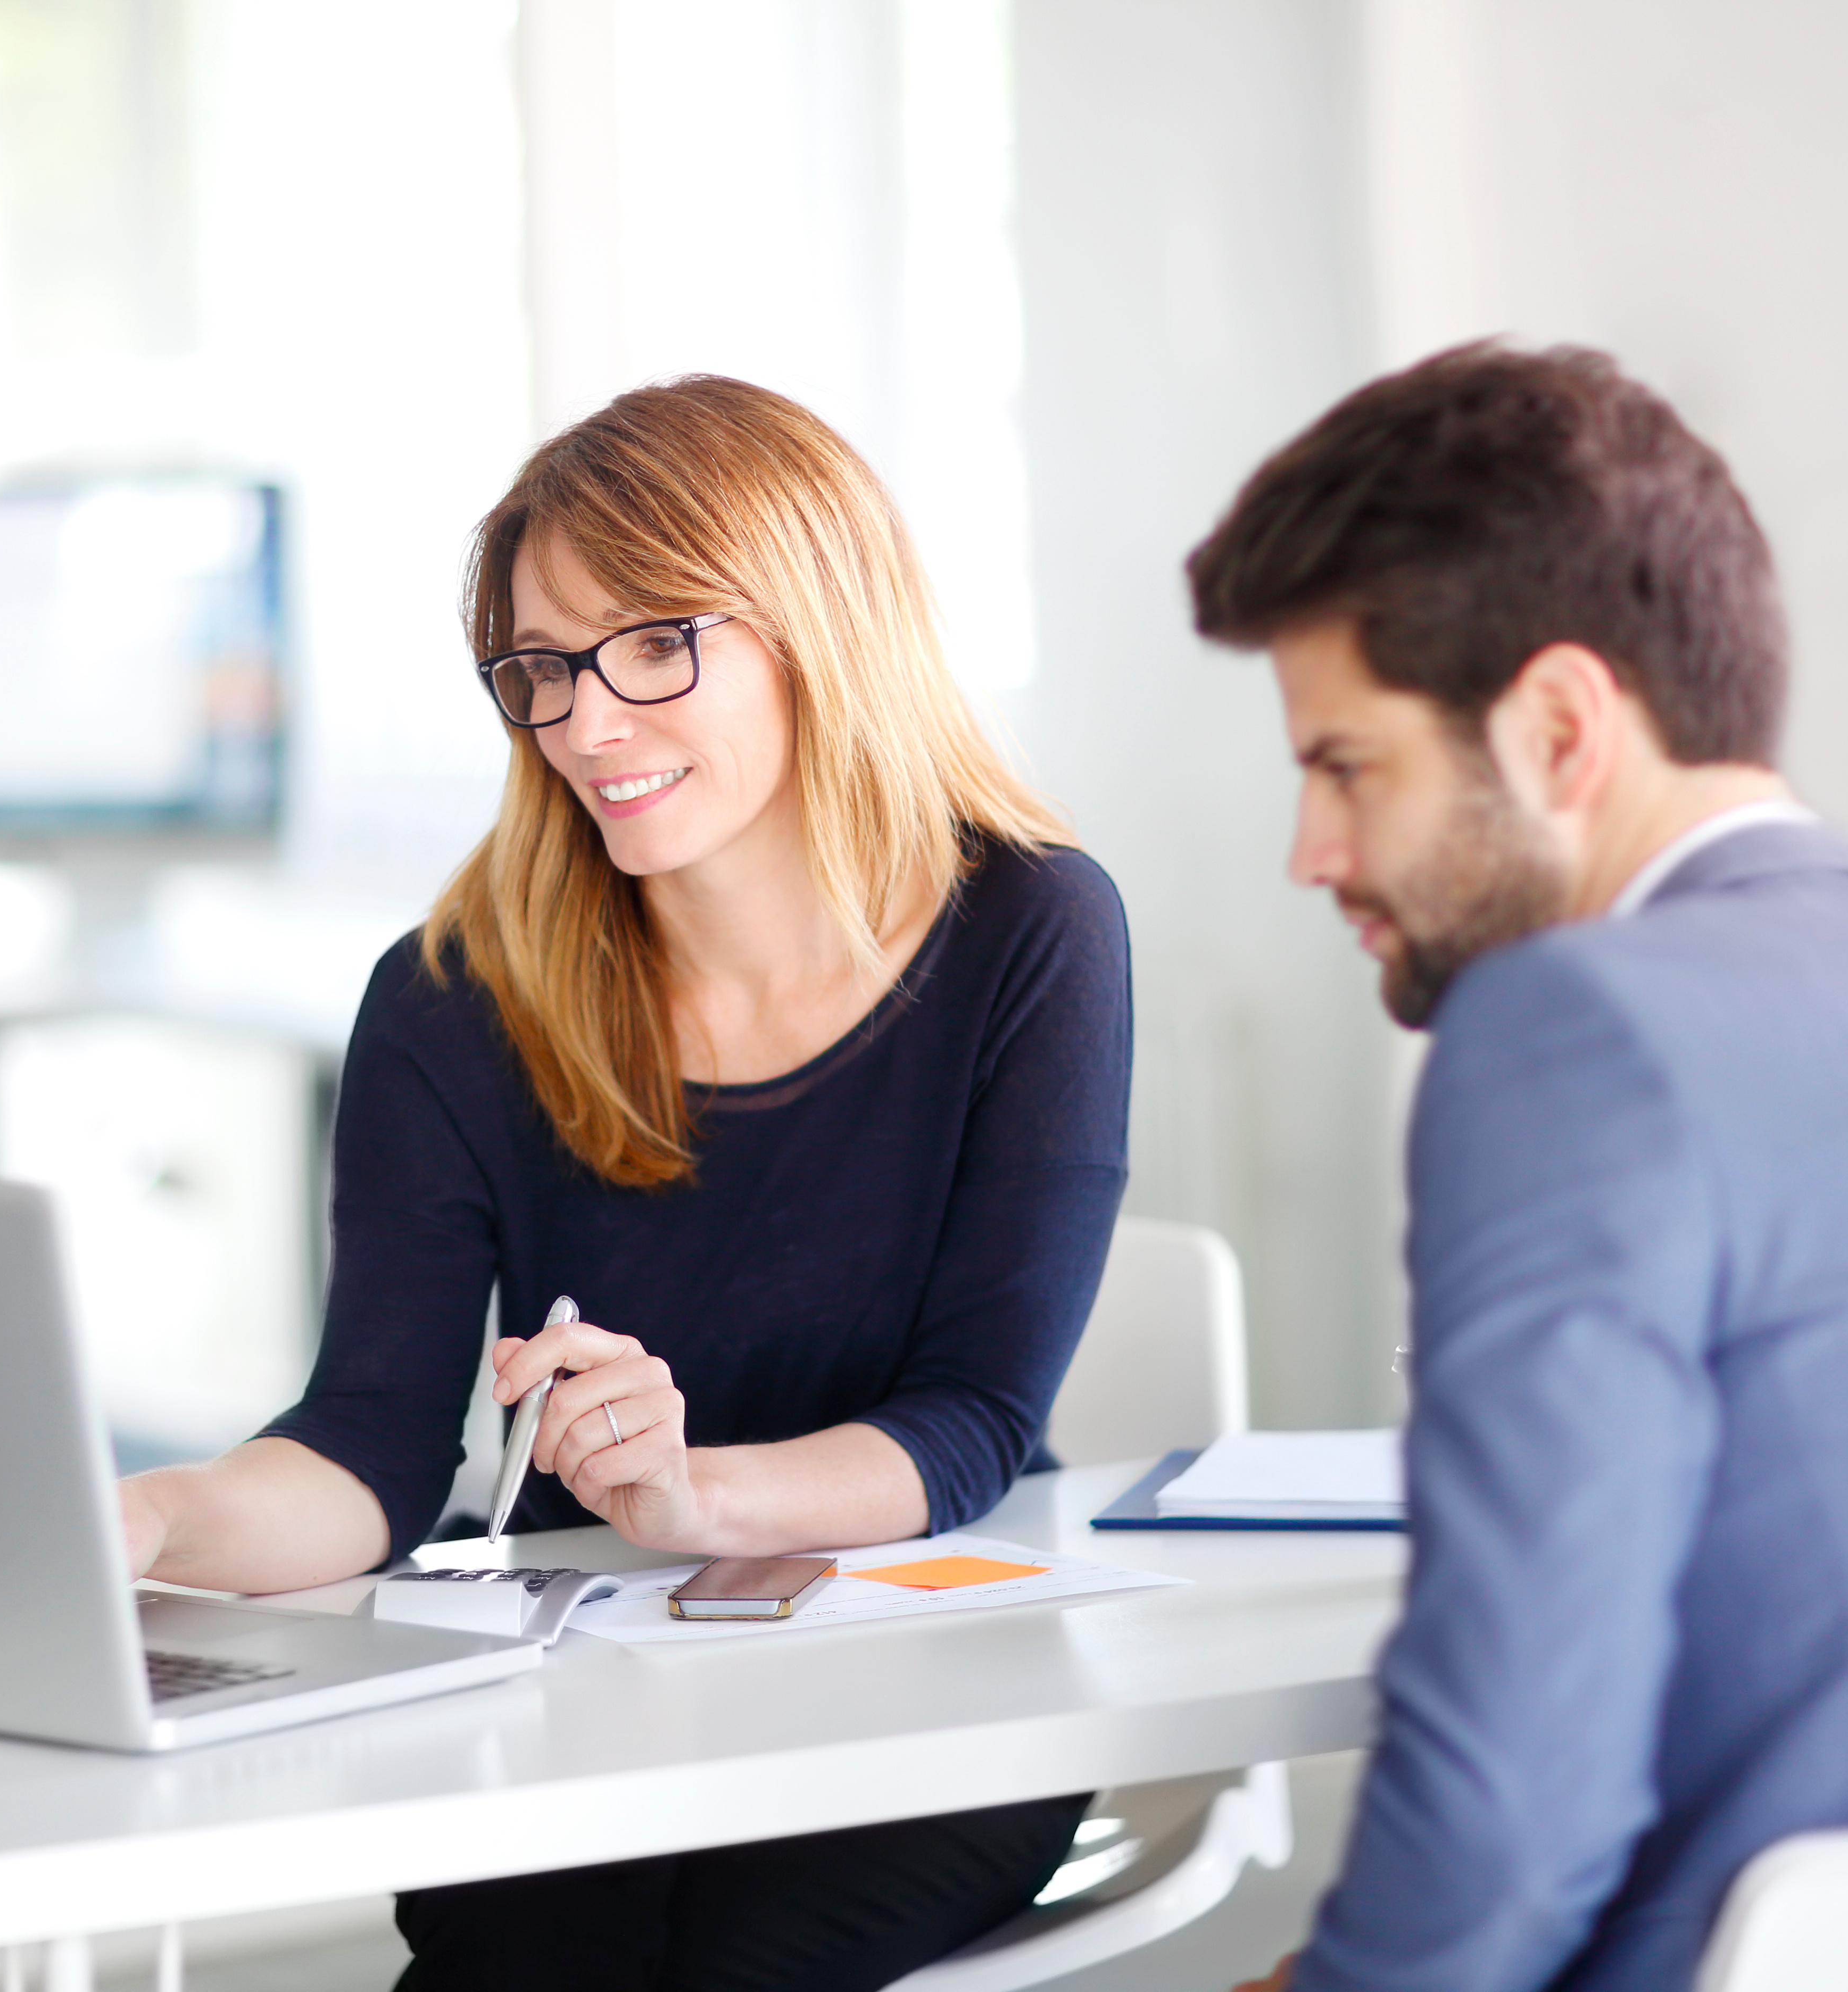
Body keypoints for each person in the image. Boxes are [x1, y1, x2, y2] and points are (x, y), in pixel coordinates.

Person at [1184, 343, 1848, 1992]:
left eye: (1346, 766)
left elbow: (1513, 1816)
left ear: (1561, 727)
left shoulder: (1565, 1030)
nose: (1312, 854)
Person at [120, 374, 1130, 1990]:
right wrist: (147, 1514)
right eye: (541, 669)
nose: (586, 723)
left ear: (819, 622)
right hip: (573, 1685)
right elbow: (370, 1450)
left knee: (737, 1960)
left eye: (655, 645)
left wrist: (691, 1494)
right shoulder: (454, 996)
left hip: (929, 1677)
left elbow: (972, 1421)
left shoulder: (1029, 930)